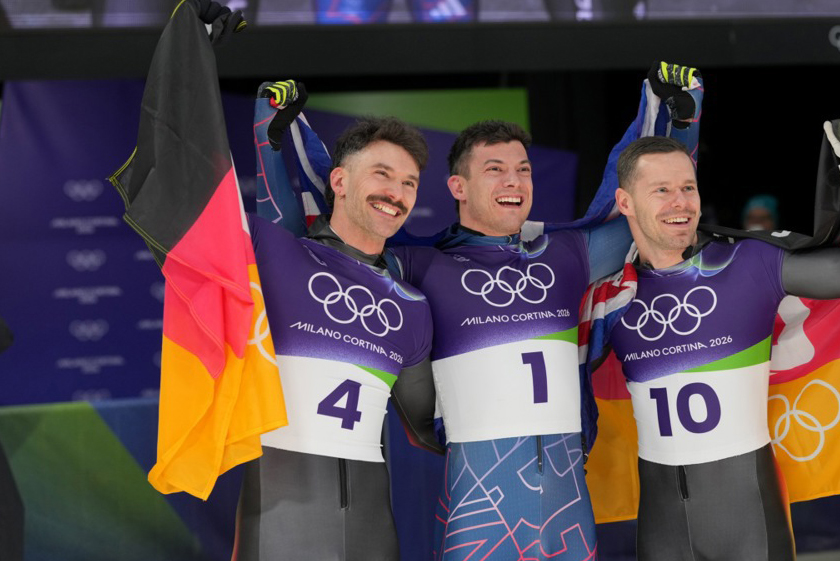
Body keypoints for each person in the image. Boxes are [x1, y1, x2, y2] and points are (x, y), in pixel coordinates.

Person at [261, 63, 705, 560]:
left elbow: (659, 212)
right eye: (495, 169)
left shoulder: (569, 255)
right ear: (458, 187)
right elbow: (311, 242)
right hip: (478, 513)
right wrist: (269, 134)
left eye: (523, 170)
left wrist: (685, 116)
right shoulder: (416, 265)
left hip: (569, 514)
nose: (514, 180)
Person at [113, 7, 442, 559]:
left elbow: (428, 426)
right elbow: (179, 181)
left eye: (409, 182)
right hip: (280, 524)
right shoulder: (276, 254)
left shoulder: (412, 305)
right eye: (382, 174)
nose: (397, 192)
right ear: (339, 181)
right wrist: (192, 48)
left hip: (375, 531)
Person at [596, 120, 840, 560]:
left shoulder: (749, 264)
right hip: (662, 527)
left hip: (749, 519)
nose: (681, 202)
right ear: (625, 202)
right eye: (662, 190)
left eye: (688, 188)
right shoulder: (611, 296)